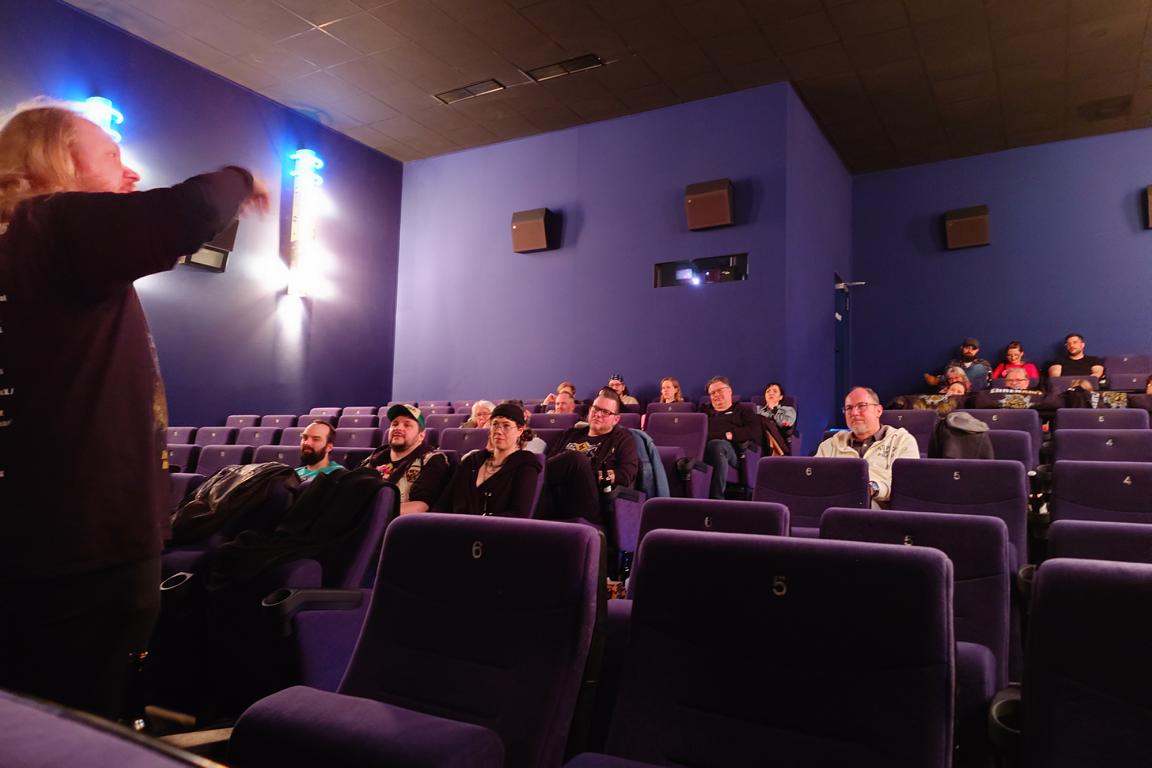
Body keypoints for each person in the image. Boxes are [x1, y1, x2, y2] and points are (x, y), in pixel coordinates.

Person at [0, 101, 267, 719]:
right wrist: (241, 179)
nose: (131, 174)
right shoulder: (55, 223)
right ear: (57, 162)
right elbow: (187, 211)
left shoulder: (18, 245)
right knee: (84, 730)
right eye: (112, 156)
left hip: (29, 541)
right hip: (81, 548)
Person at [542, 388, 639, 525]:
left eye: (605, 412)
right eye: (596, 409)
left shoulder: (623, 439)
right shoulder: (570, 434)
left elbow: (626, 474)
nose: (598, 414)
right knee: (528, 461)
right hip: (553, 495)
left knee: (576, 460)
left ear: (615, 419)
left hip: (592, 502)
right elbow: (547, 465)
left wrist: (592, 474)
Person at [816, 387, 920, 508]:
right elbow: (814, 480)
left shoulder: (902, 441)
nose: (854, 413)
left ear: (878, 411)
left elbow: (908, 486)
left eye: (861, 406)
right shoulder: (830, 445)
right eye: (849, 408)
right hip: (832, 506)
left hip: (880, 509)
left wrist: (873, 488)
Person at [433, 402, 541, 517]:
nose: (498, 431)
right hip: (454, 525)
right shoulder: (472, 461)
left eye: (506, 425)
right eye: (495, 424)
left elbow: (518, 514)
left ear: (520, 430)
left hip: (493, 528)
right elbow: (443, 503)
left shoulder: (525, 464)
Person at [362, 404, 451, 515]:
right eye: (395, 424)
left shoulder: (432, 461)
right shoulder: (375, 457)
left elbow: (420, 506)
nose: (398, 428)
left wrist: (372, 511)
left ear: (421, 435)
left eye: (407, 425)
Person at [703, 376, 762, 499]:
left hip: (734, 453)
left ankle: (716, 499)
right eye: (712, 393)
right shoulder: (704, 413)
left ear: (729, 391)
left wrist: (731, 435)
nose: (716, 395)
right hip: (703, 449)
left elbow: (755, 430)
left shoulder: (743, 411)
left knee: (717, 445)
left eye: (720, 390)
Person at [924, 338, 992, 392]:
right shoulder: (953, 363)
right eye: (967, 347)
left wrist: (940, 379)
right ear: (962, 348)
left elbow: (988, 380)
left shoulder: (983, 363)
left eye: (973, 349)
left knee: (979, 368)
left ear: (977, 350)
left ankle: (937, 380)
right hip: (957, 392)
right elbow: (949, 379)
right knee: (953, 373)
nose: (969, 350)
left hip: (976, 393)